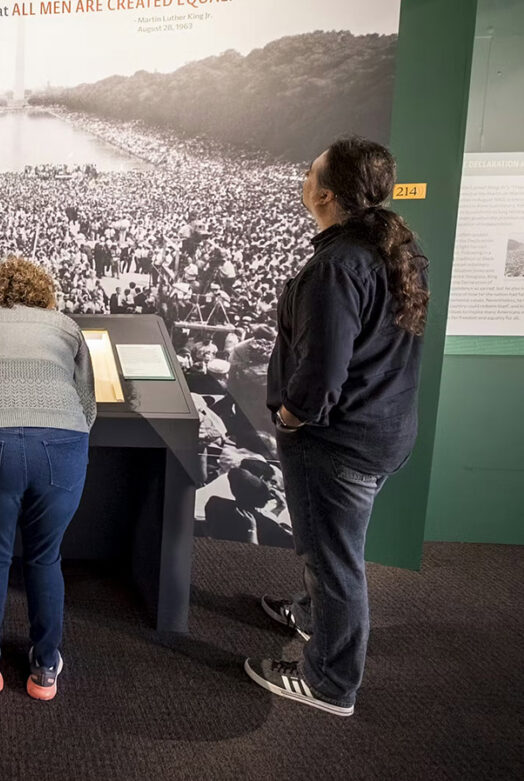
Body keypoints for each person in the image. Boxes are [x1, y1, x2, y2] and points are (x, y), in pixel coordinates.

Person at [244, 137, 430, 717]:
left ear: (325, 194)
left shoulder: (335, 266)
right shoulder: (399, 249)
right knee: (336, 548)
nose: (302, 177)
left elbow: (322, 368)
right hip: (386, 428)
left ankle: (329, 680)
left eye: (309, 171)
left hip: (338, 441)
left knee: (334, 561)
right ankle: (312, 617)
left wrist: (292, 417)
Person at [0, 256, 96, 701]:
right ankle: (45, 668)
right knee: (46, 558)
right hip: (61, 444)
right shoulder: (66, 327)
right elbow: (87, 406)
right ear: (43, 292)